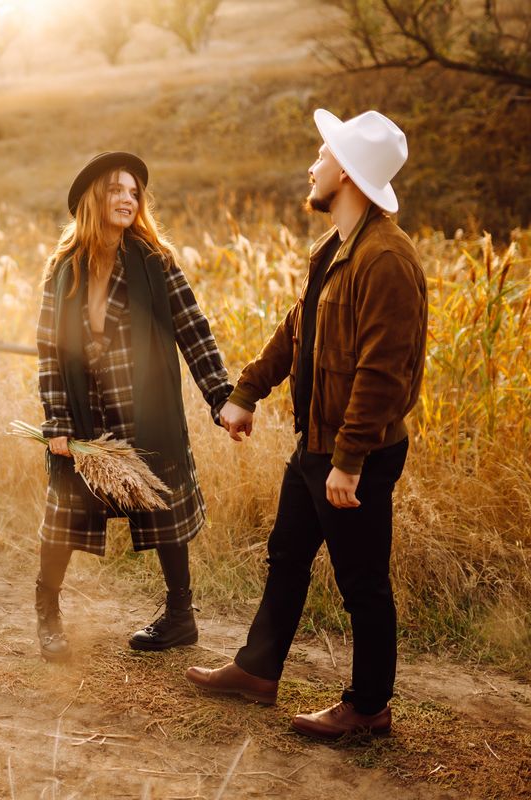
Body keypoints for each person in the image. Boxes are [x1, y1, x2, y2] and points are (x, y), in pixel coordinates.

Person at [185, 110, 428, 740]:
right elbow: (298, 333)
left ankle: (369, 708)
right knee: (287, 555)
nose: (312, 166)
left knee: (363, 583)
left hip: (357, 452)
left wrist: (349, 461)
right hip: (316, 444)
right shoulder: (334, 250)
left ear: (344, 173)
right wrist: (246, 391)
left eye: (321, 156)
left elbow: (382, 373)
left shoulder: (387, 261)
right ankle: (258, 670)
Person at [34, 151, 233, 663]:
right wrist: (56, 422)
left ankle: (181, 617)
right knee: (64, 516)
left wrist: (221, 397)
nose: (128, 198)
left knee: (163, 507)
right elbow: (51, 352)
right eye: (116, 190)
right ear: (93, 200)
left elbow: (194, 329)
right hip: (84, 421)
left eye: (134, 192)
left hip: (147, 410)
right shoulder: (64, 271)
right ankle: (47, 610)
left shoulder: (154, 261)